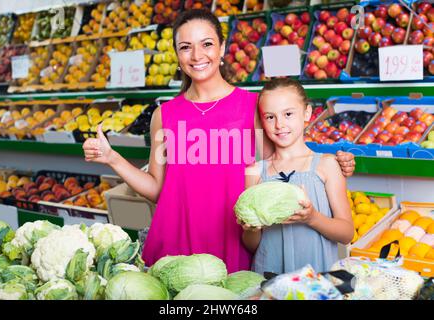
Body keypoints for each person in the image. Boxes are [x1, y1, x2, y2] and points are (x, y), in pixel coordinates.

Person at [82, 9, 356, 273]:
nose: (197, 55)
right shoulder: (163, 115)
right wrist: (112, 158)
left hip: (233, 244)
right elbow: (157, 188)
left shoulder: (253, 107)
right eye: (186, 47)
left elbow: (283, 166)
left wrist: (334, 162)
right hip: (175, 244)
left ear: (223, 48)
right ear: (177, 55)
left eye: (207, 44)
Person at [240, 78, 355, 274]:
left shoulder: (326, 165)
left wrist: (312, 218)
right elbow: (253, 245)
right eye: (270, 117)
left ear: (307, 113)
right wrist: (250, 229)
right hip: (269, 279)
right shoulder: (255, 172)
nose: (279, 124)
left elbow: (346, 233)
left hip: (316, 283)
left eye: (288, 114)